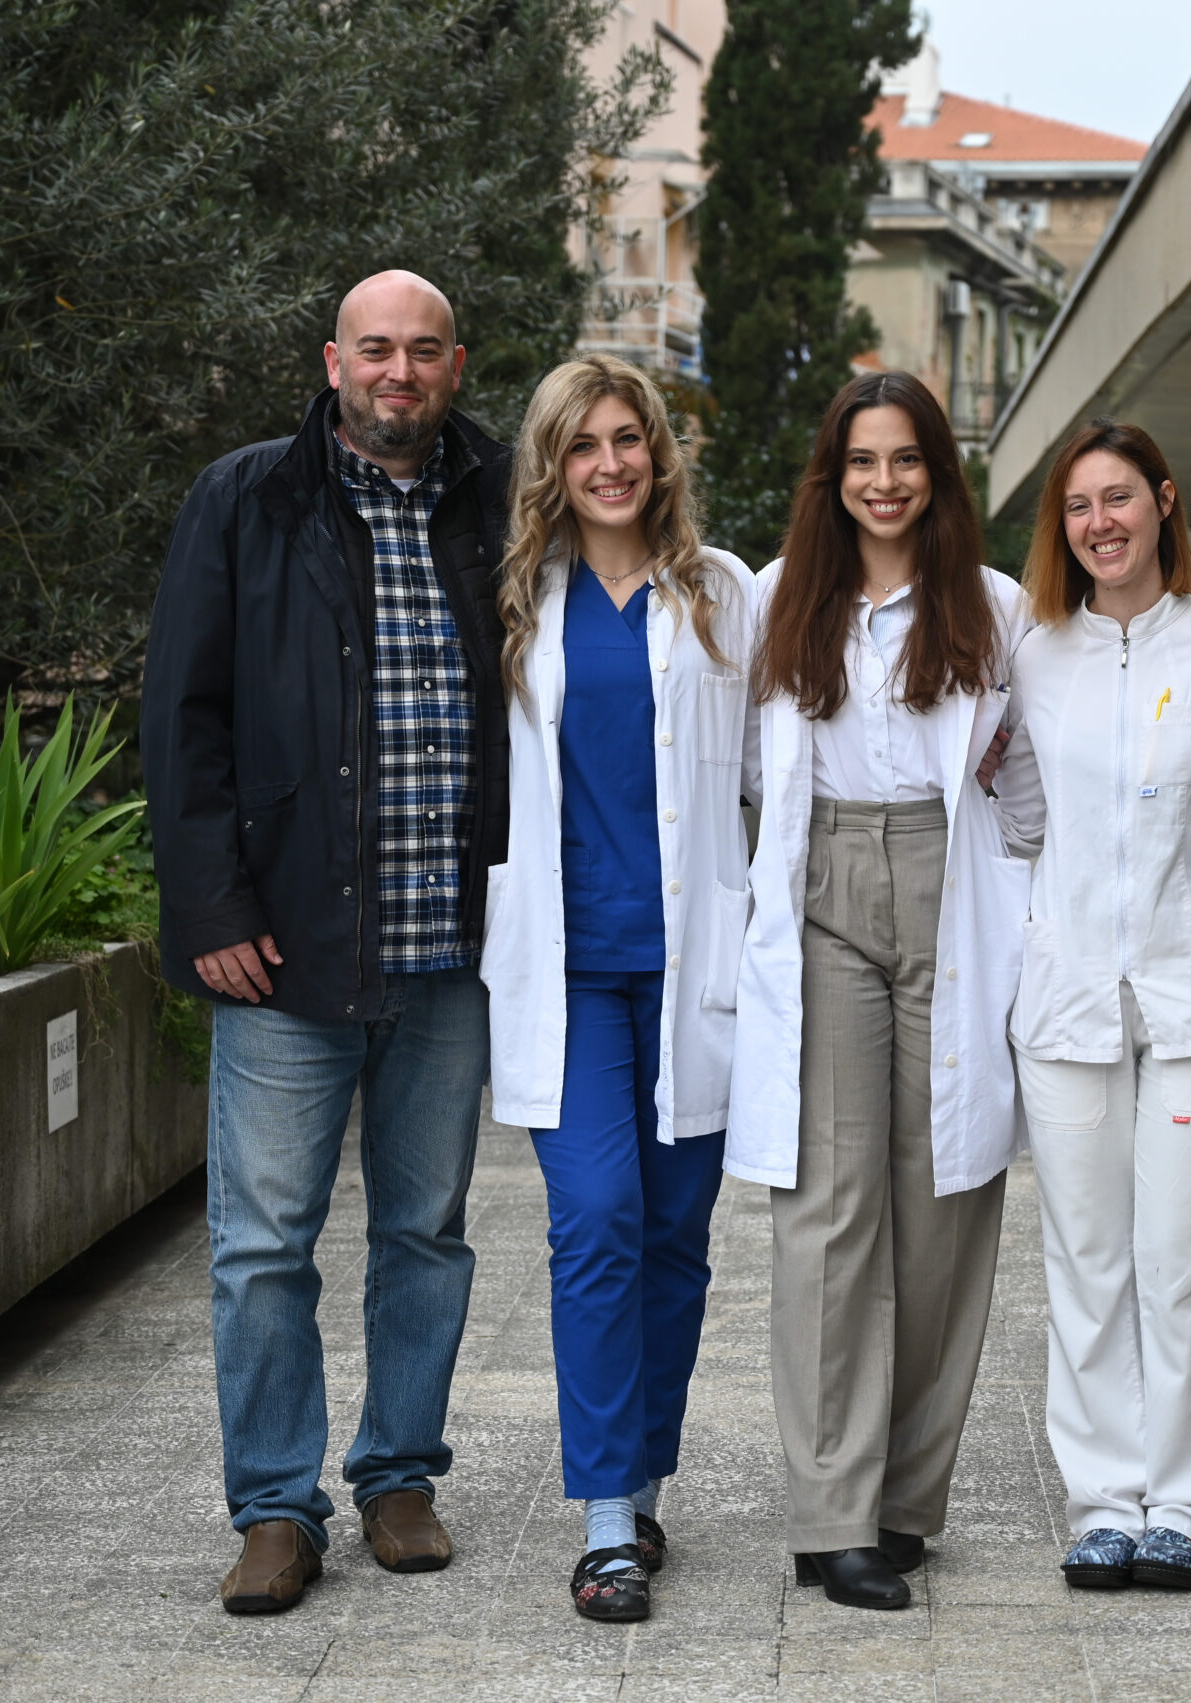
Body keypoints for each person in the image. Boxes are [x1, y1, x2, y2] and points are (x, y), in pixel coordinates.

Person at [141, 270, 513, 1614]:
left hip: (451, 952)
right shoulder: (248, 499)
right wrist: (211, 909)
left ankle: (400, 1475)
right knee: (262, 1242)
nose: (398, 372)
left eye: (422, 351)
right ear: (333, 360)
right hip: (286, 950)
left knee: (426, 1229)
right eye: (376, 350)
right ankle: (275, 1507)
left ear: (456, 364)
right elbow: (181, 715)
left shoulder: (497, 500)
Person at [727, 372, 1037, 1612]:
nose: (884, 482)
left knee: (946, 1200)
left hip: (951, 884)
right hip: (826, 895)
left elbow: (1025, 780)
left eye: (906, 459)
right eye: (862, 460)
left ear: (936, 474)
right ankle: (829, 1512)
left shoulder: (998, 605)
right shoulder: (775, 595)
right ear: (832, 475)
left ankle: (906, 1500)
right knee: (832, 1207)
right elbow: (746, 771)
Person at [478, 354, 756, 1622]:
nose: (609, 462)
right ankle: (603, 1515)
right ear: (553, 462)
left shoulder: (721, 595)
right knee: (593, 1220)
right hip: (568, 972)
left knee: (672, 1236)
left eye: (629, 438)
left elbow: (775, 773)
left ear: (659, 453)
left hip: (695, 967)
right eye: (583, 442)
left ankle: (643, 1473)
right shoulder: (517, 601)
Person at [992, 420, 1191, 1594]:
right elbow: (1015, 808)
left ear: (1163, 501)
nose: (1099, 523)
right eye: (1077, 507)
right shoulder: (1031, 650)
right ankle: (1104, 1499)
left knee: (1184, 1253)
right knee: (1087, 1255)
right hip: (1065, 994)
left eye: (1119, 499)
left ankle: (1186, 1506)